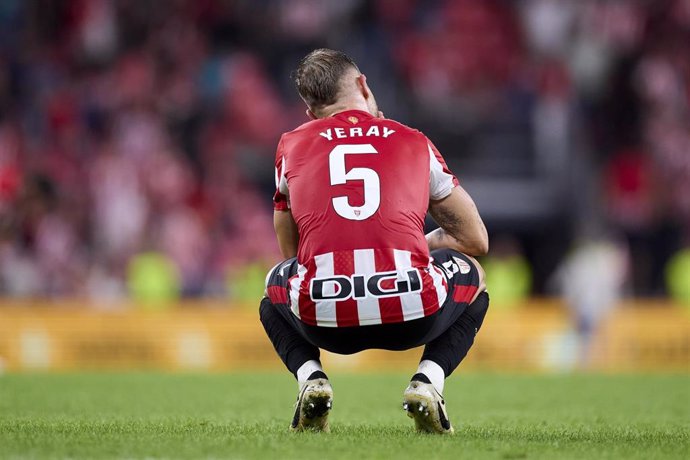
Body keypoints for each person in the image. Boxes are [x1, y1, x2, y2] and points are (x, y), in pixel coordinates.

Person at [260, 49, 489, 434]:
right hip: (414, 315)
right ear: (363, 85)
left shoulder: (291, 145)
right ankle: (428, 382)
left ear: (311, 112)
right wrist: (423, 243)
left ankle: (311, 380)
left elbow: (291, 249)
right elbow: (475, 238)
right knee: (475, 273)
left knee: (274, 287)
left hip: (324, 322)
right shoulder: (414, 141)